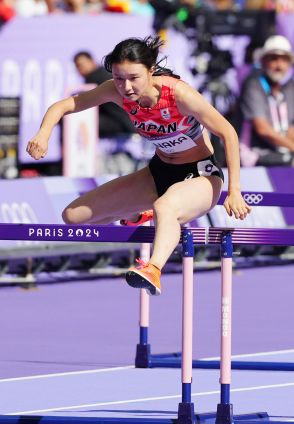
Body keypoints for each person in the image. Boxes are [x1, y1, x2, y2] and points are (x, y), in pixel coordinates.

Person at [27, 35, 251, 296]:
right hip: (158, 172)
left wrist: (235, 191)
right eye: (120, 78)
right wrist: (42, 134)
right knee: (73, 216)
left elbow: (228, 133)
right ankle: (138, 215)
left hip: (200, 174)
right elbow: (65, 105)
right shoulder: (114, 89)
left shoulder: (179, 94)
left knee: (165, 206)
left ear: (151, 71)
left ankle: (153, 269)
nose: (126, 87)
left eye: (134, 78)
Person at [238, 34, 294, 167]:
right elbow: (263, 129)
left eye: (284, 59)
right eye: (274, 59)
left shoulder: (289, 88)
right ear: (263, 61)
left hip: (282, 153)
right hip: (255, 156)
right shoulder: (254, 84)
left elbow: (290, 129)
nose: (279, 65)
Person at [73, 51, 136, 138]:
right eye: (78, 66)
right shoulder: (104, 73)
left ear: (92, 61)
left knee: (78, 120)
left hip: (120, 122)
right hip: (129, 122)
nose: (81, 68)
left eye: (82, 64)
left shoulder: (94, 78)